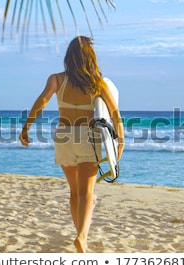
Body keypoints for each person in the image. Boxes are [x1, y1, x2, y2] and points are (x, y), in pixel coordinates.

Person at [19, 36, 124, 253]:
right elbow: (114, 112)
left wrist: (26, 127)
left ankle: (81, 235)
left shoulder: (56, 79)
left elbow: (42, 101)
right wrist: (119, 141)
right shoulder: (97, 83)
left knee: (75, 192)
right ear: (90, 57)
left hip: (64, 136)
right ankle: (82, 237)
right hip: (88, 136)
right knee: (87, 192)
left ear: (69, 57)